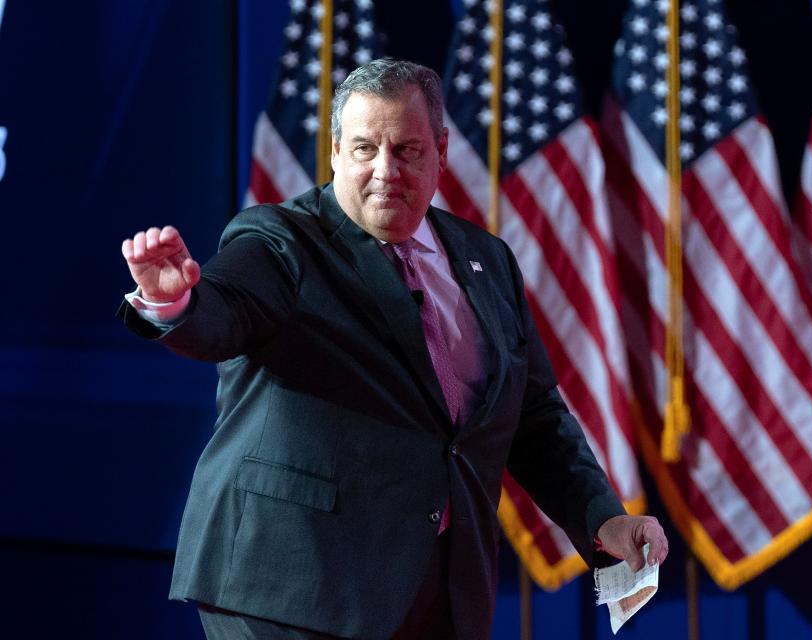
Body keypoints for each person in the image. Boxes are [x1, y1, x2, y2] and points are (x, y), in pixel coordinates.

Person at [119, 58, 667, 640]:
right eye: (363, 149)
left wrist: (600, 517)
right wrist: (175, 305)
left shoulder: (487, 261)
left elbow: (533, 415)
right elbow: (226, 313)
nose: (386, 172)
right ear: (334, 151)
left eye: (406, 150)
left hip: (440, 591)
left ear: (441, 151)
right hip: (292, 588)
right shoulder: (280, 240)